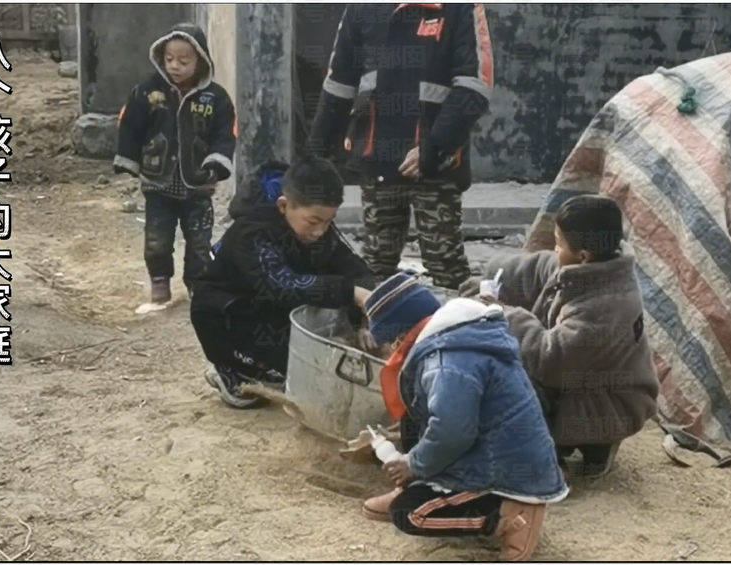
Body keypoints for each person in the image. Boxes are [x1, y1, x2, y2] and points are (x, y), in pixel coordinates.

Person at [359, 272, 568, 562]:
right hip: (495, 452)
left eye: (390, 344)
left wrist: (413, 463)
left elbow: (453, 432)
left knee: (409, 513)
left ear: (399, 336)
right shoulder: (457, 338)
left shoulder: (446, 362)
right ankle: (416, 487)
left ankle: (510, 514)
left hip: (508, 473)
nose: (391, 352)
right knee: (414, 414)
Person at [461, 196, 660, 479]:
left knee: (513, 380)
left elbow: (549, 362)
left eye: (558, 244)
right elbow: (537, 269)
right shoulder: (591, 266)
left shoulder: (606, 307)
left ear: (583, 256)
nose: (555, 250)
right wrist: (489, 280)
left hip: (612, 403)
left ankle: (570, 448)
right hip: (583, 380)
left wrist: (502, 313)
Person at [303, 3, 495, 291]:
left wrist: (434, 147)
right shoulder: (361, 9)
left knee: (446, 267)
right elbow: (340, 83)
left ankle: (461, 318)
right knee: (375, 267)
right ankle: (378, 319)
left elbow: (475, 86)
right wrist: (314, 157)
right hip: (377, 158)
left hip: (435, 162)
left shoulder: (459, 8)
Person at [189, 157, 376, 408]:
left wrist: (366, 318)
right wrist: (351, 293)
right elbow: (282, 286)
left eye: (328, 222)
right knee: (301, 372)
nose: (320, 231)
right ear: (283, 205)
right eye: (313, 222)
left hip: (271, 310)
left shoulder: (312, 226)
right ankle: (233, 370)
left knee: (326, 359)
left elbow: (352, 267)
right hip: (230, 316)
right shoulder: (252, 231)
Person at [113, 23, 235, 305]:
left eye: (183, 60)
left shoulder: (215, 98)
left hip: (198, 183)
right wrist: (128, 159)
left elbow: (225, 133)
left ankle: (197, 284)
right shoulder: (147, 93)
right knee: (157, 237)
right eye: (169, 59)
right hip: (158, 182)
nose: (175, 66)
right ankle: (159, 280)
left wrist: (217, 161)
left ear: (200, 61)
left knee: (199, 241)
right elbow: (130, 125)